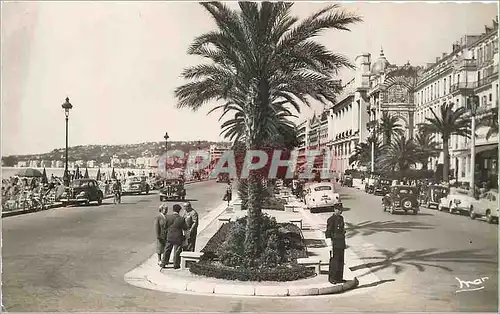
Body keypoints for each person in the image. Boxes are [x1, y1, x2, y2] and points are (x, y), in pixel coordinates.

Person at [160, 204, 188, 270]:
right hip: (178, 237)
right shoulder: (181, 219)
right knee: (177, 251)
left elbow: (164, 227)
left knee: (167, 250)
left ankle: (164, 263)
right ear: (179, 210)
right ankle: (176, 264)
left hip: (169, 236)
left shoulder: (167, 217)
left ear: (173, 209)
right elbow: (185, 228)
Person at [325, 206, 346, 284]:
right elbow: (328, 232)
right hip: (334, 243)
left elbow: (342, 229)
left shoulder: (341, 218)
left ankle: (339, 278)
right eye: (339, 210)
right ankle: (332, 278)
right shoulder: (331, 219)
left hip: (341, 242)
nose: (340, 211)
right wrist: (329, 244)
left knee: (341, 261)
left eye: (341, 210)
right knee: (334, 261)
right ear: (335, 210)